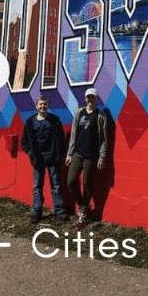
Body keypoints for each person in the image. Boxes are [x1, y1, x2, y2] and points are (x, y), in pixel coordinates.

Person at [66, 87, 108, 228]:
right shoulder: (79, 113)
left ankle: (82, 215)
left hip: (91, 155)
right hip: (78, 153)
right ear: (85, 99)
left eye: (93, 97)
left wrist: (102, 157)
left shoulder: (100, 115)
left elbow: (103, 139)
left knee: (87, 184)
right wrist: (70, 153)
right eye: (88, 97)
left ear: (96, 99)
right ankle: (83, 205)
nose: (90, 100)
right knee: (71, 181)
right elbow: (73, 134)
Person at [21, 95, 67, 222]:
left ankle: (59, 211)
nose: (43, 106)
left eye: (45, 104)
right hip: (38, 158)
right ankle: (36, 212)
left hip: (52, 157)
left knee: (56, 185)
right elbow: (24, 141)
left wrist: (59, 155)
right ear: (36, 106)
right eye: (41, 104)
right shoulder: (30, 122)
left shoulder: (55, 121)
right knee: (37, 186)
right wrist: (30, 153)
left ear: (48, 105)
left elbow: (61, 140)